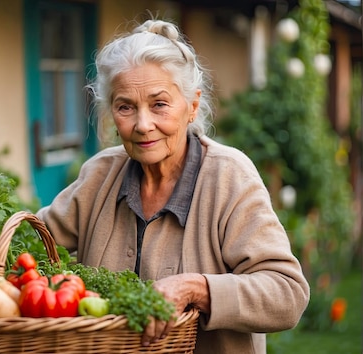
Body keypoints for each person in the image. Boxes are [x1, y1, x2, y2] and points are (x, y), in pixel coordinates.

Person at [36, 18, 310, 354]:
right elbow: (34, 246)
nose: (143, 124)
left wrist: (197, 288)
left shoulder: (228, 177)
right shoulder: (99, 175)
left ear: (191, 106)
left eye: (159, 104)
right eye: (125, 107)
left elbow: (287, 294)